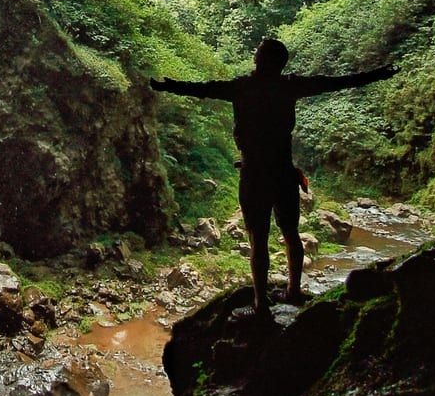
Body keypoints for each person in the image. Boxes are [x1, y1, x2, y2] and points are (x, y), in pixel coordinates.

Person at [151, 38, 395, 311]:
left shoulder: (243, 87)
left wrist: (167, 85)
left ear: (260, 60)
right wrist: (377, 74)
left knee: (258, 238)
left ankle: (260, 302)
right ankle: (293, 290)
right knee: (290, 233)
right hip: (283, 172)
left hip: (255, 173)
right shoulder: (289, 86)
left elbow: (203, 90)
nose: (254, 60)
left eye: (257, 55)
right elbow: (336, 82)